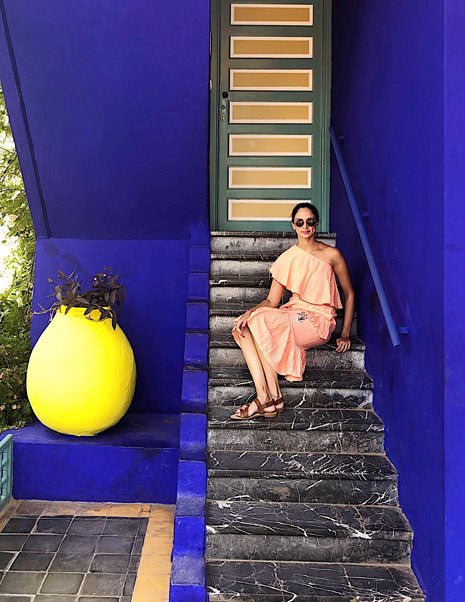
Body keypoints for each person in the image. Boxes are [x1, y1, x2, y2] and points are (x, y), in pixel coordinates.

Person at [230, 202, 355, 420]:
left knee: (260, 324)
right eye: (300, 222)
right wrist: (249, 312)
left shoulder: (332, 254)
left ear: (316, 224)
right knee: (245, 325)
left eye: (310, 221)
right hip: (294, 312)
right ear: (293, 225)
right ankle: (271, 398)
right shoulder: (287, 258)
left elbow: (349, 293)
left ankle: (265, 398)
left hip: (319, 321)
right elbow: (271, 300)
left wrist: (345, 334)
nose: (305, 226)